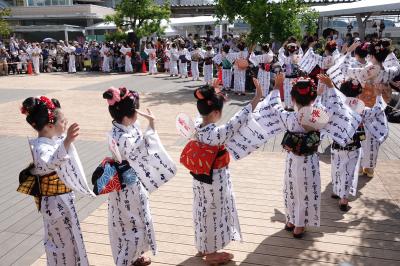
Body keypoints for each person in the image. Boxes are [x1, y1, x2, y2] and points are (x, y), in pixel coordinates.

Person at [255, 73, 361, 238]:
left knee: (291, 189)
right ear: (313, 98)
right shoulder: (320, 115)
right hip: (309, 160)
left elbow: (273, 105)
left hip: (292, 159)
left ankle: (291, 220)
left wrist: (277, 86)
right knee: (306, 190)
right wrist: (331, 87)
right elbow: (337, 106)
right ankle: (299, 225)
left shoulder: (288, 117)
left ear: (292, 98)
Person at [185, 78, 263, 264]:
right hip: (215, 179)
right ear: (217, 112)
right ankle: (211, 253)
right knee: (215, 212)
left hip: (199, 177)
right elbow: (239, 118)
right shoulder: (217, 133)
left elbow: (210, 115)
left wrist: (212, 90)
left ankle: (203, 245)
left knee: (201, 209)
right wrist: (257, 98)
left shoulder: (197, 126)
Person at [103, 87, 177, 266]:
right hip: (128, 186)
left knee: (128, 221)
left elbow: (138, 134)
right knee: (133, 224)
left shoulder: (120, 128)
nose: (138, 113)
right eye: (136, 110)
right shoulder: (124, 137)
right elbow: (145, 147)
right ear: (130, 115)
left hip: (124, 183)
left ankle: (134, 257)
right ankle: (126, 259)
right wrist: (152, 126)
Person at [19, 96, 95, 265]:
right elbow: (50, 163)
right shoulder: (40, 147)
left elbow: (59, 150)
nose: (65, 123)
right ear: (50, 125)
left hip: (63, 199)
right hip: (54, 203)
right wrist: (67, 140)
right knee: (61, 245)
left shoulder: (52, 140)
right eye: (63, 121)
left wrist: (65, 140)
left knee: (70, 240)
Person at [330, 80, 388, 211]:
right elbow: (378, 109)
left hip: (337, 143)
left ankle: (335, 190)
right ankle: (343, 199)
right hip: (354, 145)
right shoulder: (362, 109)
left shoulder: (337, 107)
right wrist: (378, 95)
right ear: (358, 95)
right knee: (349, 171)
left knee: (337, 167)